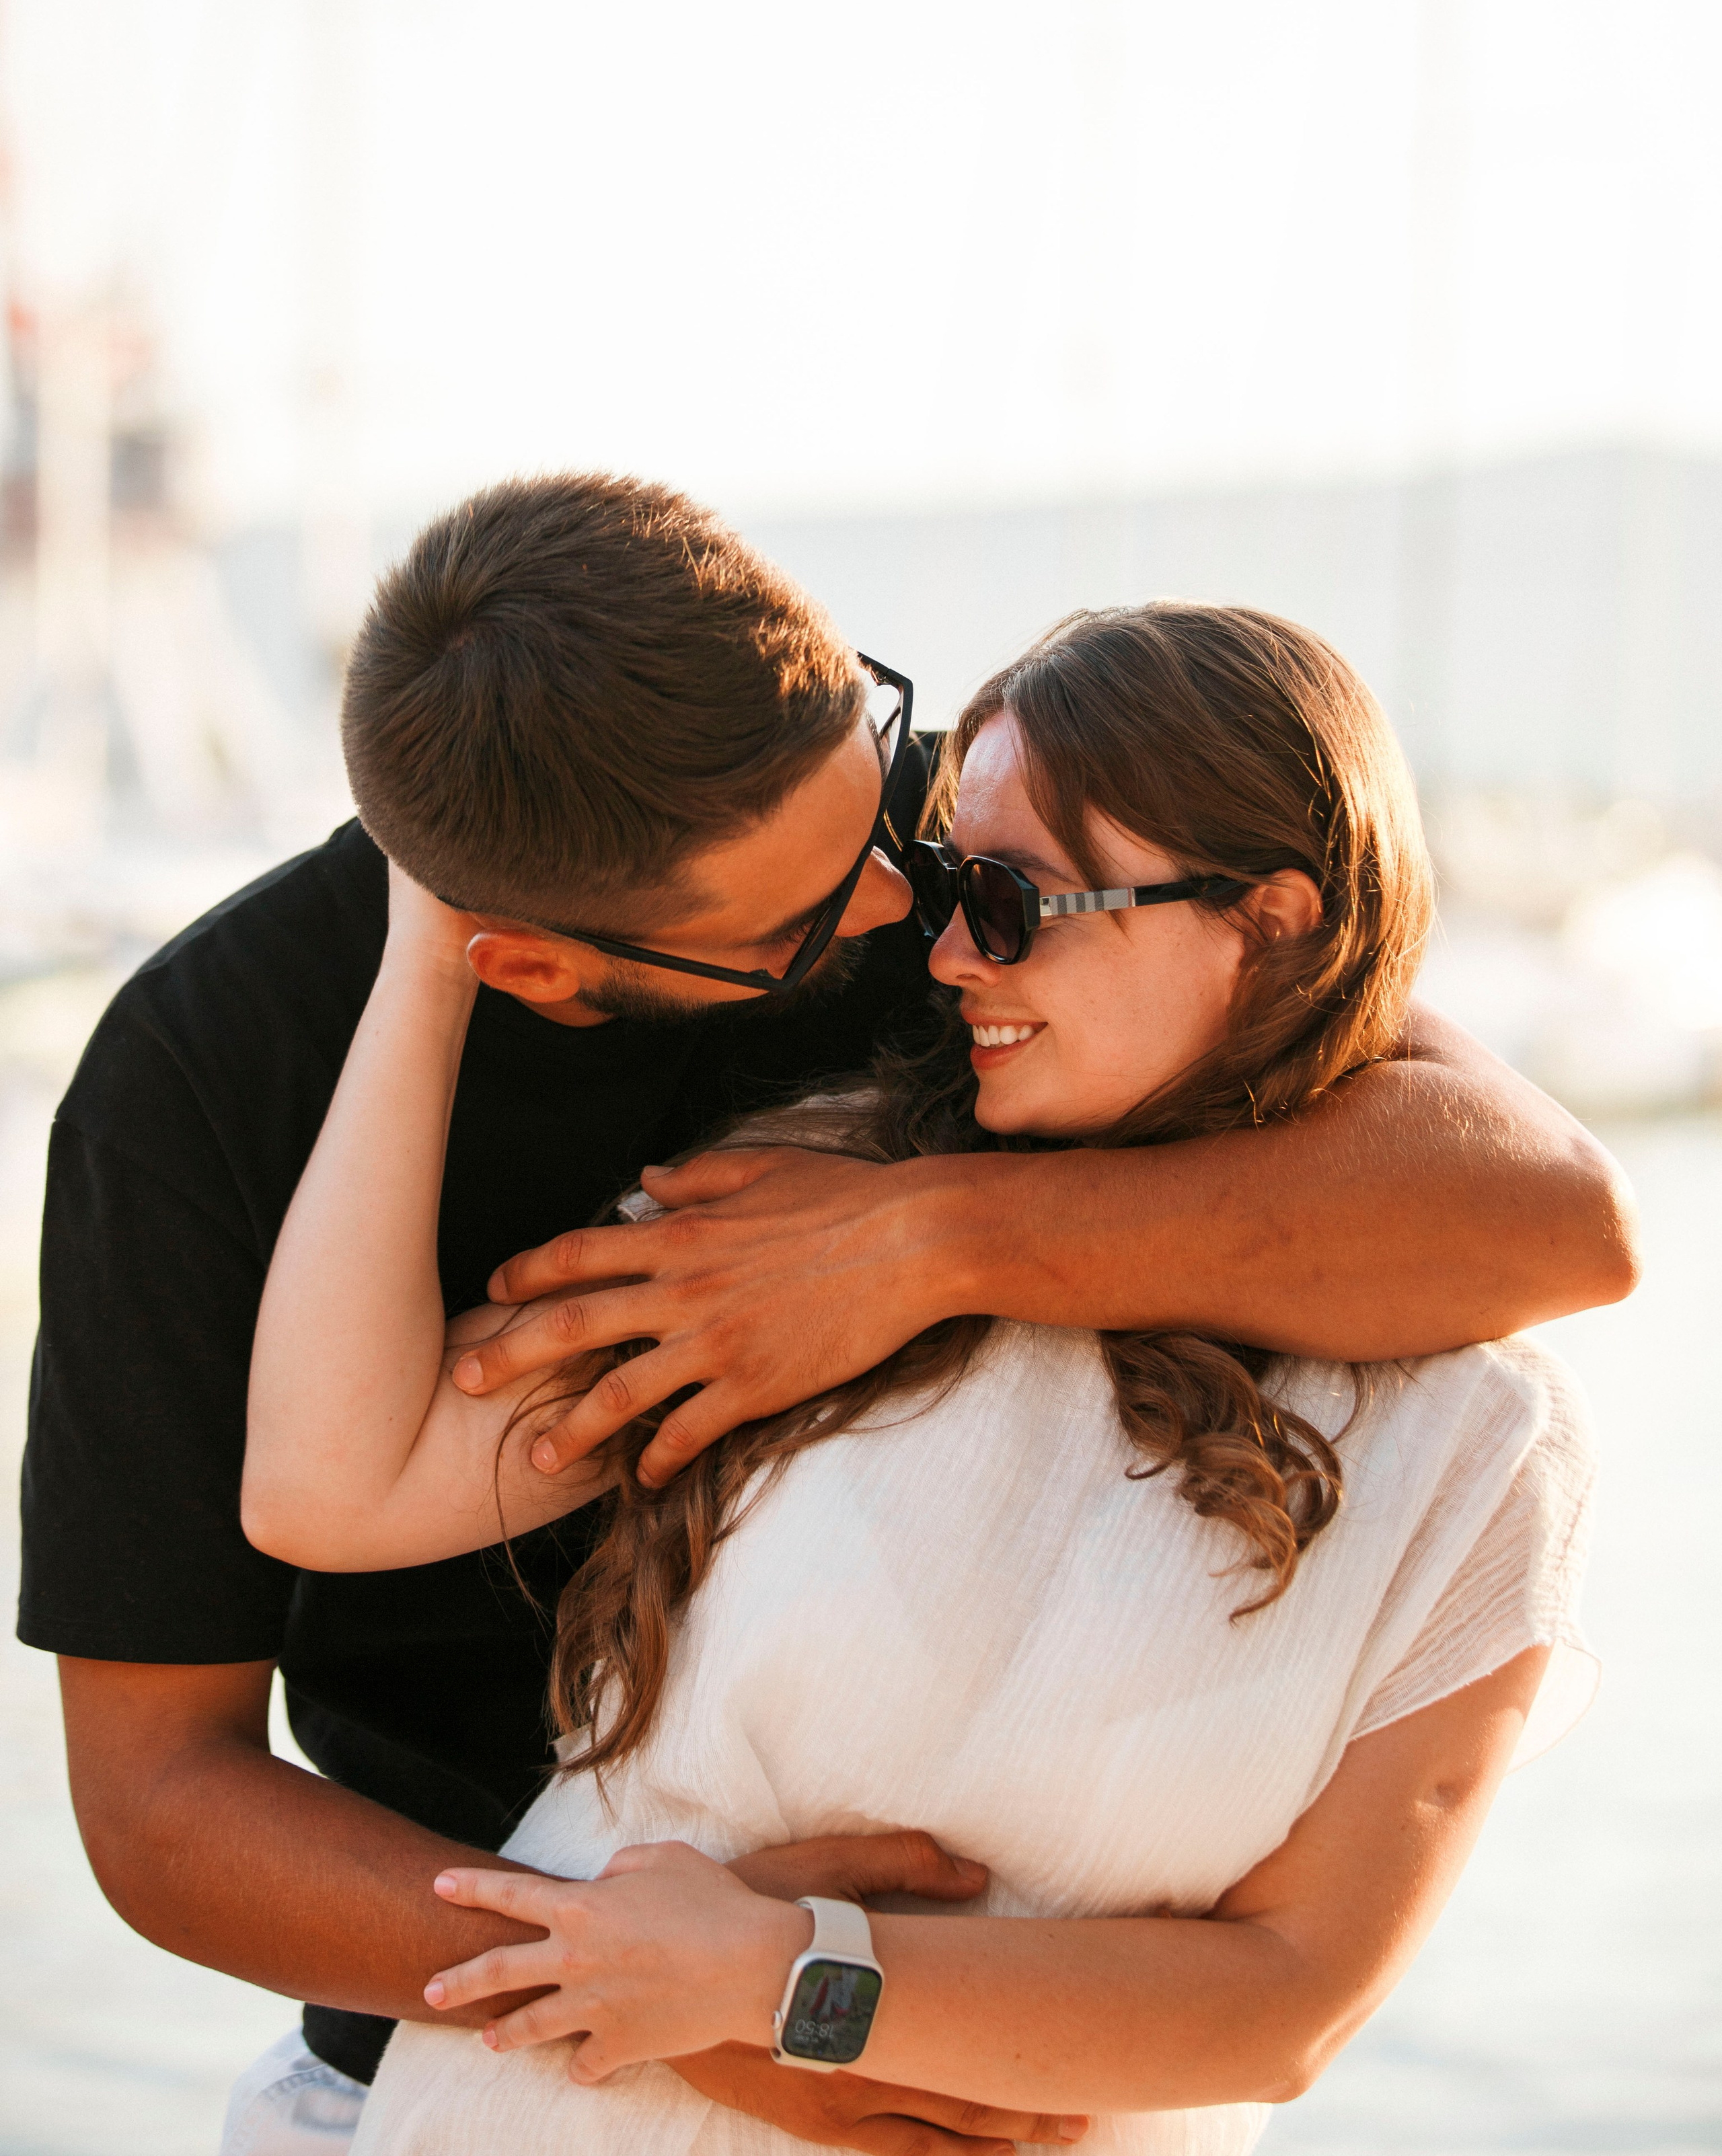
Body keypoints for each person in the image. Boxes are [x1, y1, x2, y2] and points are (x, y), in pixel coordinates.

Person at [17, 475, 1628, 2156]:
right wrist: (675, 1993)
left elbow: (1547, 1205)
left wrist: (922, 1246)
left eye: (919, 835)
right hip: (471, 2068)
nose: (912, 925)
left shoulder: (958, 861)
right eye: (826, 914)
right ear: (533, 966)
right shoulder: (204, 1082)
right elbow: (161, 1799)